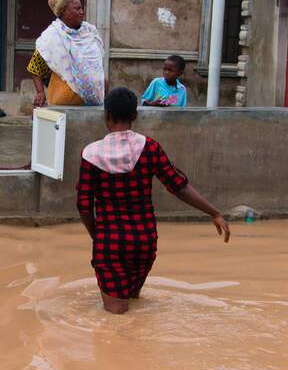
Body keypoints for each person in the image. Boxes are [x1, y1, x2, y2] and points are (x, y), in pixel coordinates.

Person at [77, 87, 230, 314]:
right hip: (144, 242)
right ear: (135, 116)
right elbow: (179, 186)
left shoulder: (91, 155)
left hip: (110, 242)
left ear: (106, 116)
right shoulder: (150, 148)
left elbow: (83, 205)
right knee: (133, 304)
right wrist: (214, 213)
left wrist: (96, 234)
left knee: (117, 318)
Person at [29, 0, 106, 108]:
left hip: (93, 104)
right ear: (63, 11)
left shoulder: (90, 33)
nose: (82, 12)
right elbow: (34, 68)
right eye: (77, 9)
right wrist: (40, 93)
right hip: (62, 105)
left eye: (81, 8)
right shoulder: (52, 36)